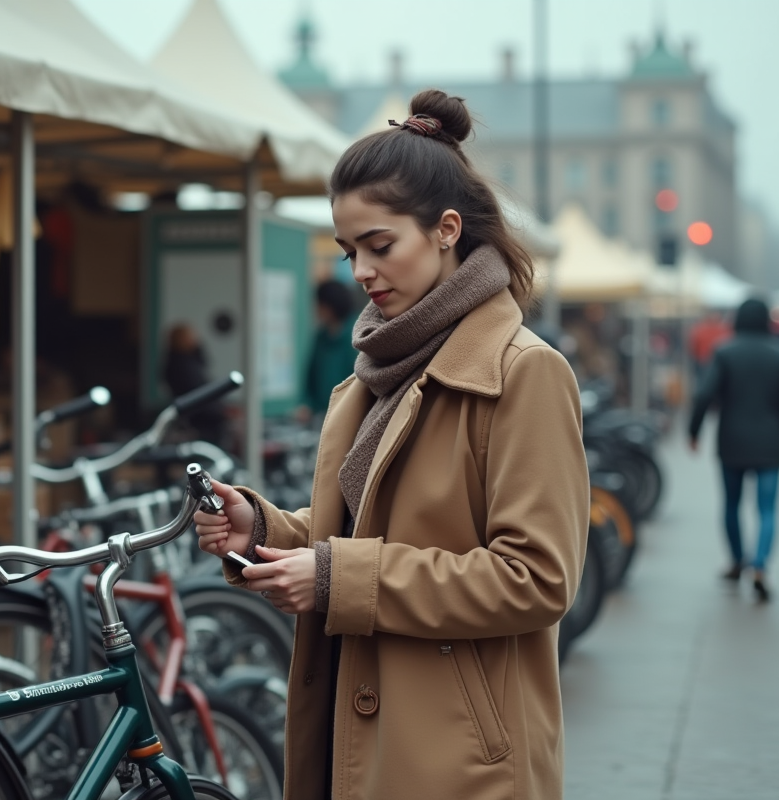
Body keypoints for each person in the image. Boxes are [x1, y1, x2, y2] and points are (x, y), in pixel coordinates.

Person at [194, 89, 588, 800]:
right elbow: (362, 533)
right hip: (360, 735)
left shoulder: (524, 372)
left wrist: (333, 578)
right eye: (349, 252)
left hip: (462, 761)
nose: (362, 273)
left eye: (380, 246)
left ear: (445, 229)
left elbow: (537, 578)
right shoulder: (370, 377)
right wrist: (266, 530)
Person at [689, 298, 779, 602]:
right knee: (767, 509)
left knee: (731, 505)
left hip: (732, 439)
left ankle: (737, 560)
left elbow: (704, 394)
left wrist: (693, 431)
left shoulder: (725, 352)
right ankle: (761, 565)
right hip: (769, 441)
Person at [162, 322, 227, 446]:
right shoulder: (181, 366)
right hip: (201, 420)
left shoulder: (190, 361)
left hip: (203, 417)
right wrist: (220, 412)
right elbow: (198, 392)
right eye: (191, 336)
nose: (196, 339)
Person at [301, 279, 358, 417]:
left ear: (330, 305)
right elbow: (310, 376)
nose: (316, 310)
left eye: (319, 305)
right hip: (321, 415)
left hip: (349, 415)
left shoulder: (357, 334)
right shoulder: (321, 337)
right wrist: (307, 405)